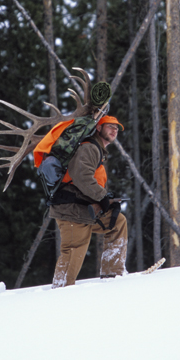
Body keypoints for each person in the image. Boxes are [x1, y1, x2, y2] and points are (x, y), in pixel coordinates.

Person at [49, 115, 127, 288]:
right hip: (72, 211)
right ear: (98, 128)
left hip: (85, 210)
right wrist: (103, 197)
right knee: (73, 251)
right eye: (110, 127)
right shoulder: (89, 148)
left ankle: (112, 274)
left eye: (117, 128)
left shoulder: (97, 150)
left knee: (117, 222)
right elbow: (81, 177)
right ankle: (60, 291)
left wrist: (107, 200)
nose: (114, 130)